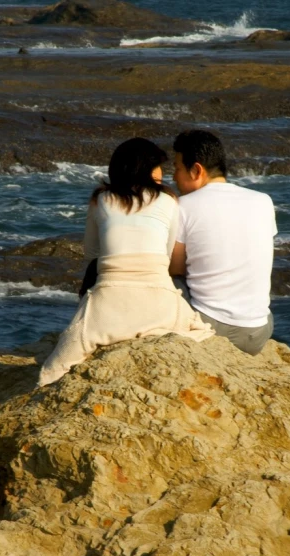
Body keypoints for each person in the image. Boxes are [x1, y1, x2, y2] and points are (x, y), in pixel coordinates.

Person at [38, 137, 213, 387]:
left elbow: (91, 253)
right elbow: (165, 252)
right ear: (144, 170)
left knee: (55, 368)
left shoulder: (100, 199)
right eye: (158, 171)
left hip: (108, 300)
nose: (162, 177)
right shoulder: (169, 200)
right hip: (160, 301)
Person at [170, 129, 277, 356]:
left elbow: (175, 268)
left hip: (212, 328)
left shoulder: (183, 206)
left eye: (177, 168)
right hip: (259, 331)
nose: (173, 177)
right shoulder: (263, 201)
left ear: (196, 170)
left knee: (168, 278)